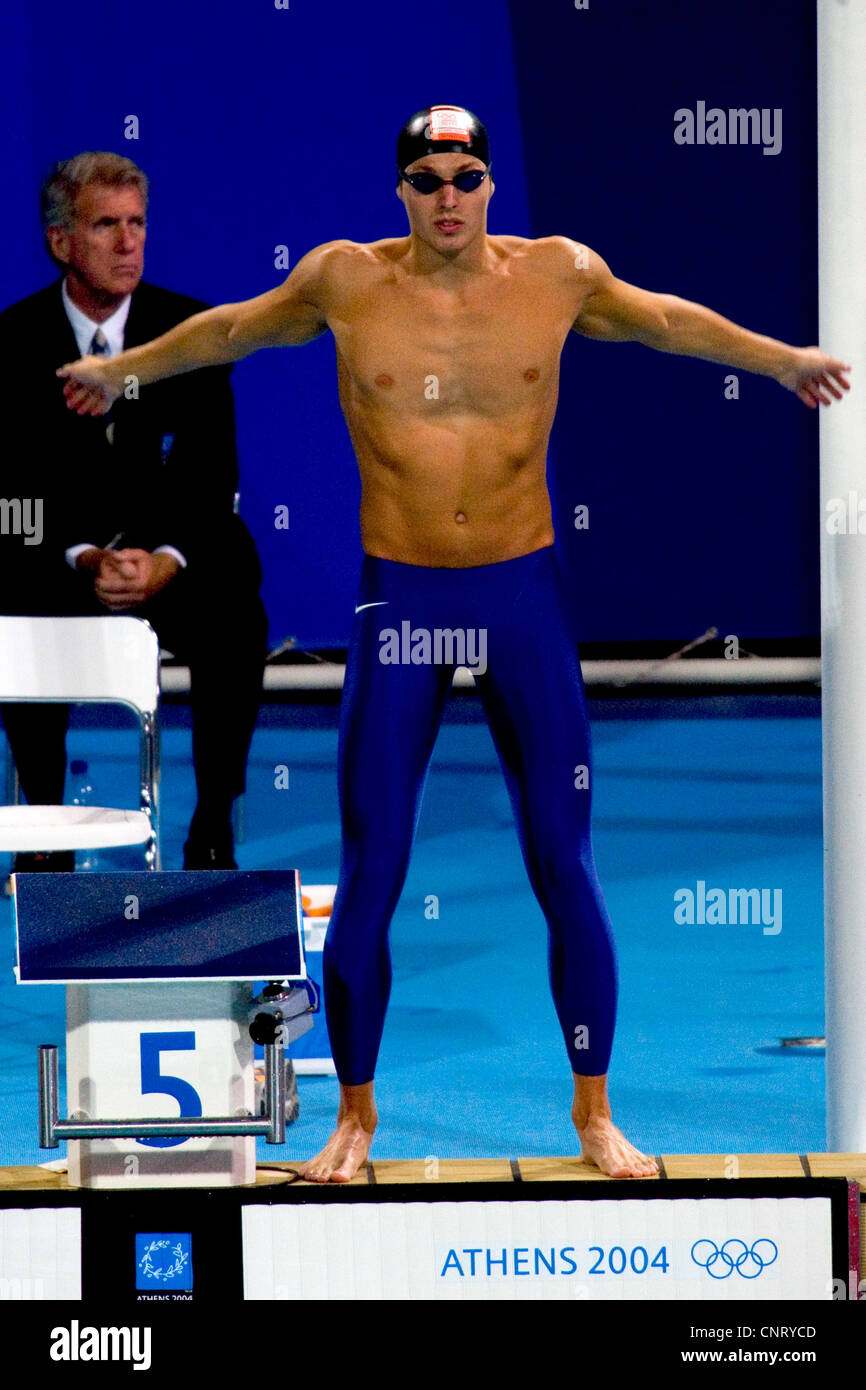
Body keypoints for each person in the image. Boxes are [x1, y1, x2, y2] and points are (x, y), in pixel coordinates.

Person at [57, 106, 851, 1180]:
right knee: (375, 866)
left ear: (489, 184)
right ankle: (355, 1116)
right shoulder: (345, 281)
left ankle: (593, 1113)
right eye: (426, 178)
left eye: (465, 176)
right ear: (398, 189)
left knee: (561, 863)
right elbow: (232, 330)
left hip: (520, 591)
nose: (447, 196)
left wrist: (779, 359)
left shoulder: (557, 275)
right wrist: (125, 371)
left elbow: (665, 321)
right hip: (403, 600)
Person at [0, 151, 268, 871]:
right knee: (6, 579)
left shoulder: (193, 334)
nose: (128, 244)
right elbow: (11, 496)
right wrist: (82, 555)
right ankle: (47, 830)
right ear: (61, 242)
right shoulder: (10, 345)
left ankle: (213, 824)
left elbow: (213, 478)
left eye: (138, 225)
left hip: (164, 565)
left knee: (236, 602)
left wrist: (162, 561)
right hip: (60, 567)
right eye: (105, 226)